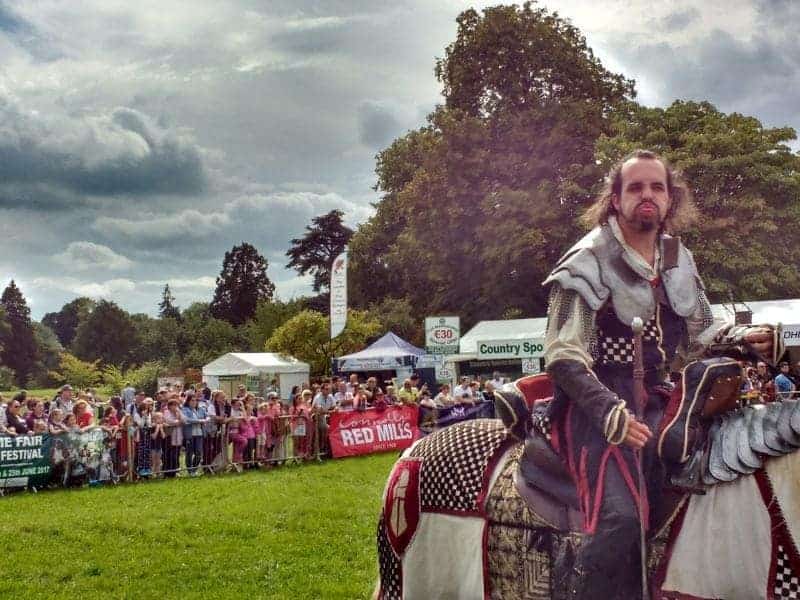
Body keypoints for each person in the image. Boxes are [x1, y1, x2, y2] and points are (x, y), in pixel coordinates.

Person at [541, 149, 776, 599]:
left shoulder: (676, 256)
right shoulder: (585, 259)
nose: (646, 195)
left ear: (670, 199)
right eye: (635, 187)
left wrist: (748, 337)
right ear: (615, 199)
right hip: (595, 409)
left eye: (656, 187)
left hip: (658, 398)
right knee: (621, 519)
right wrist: (608, 412)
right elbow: (562, 353)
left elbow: (702, 329)